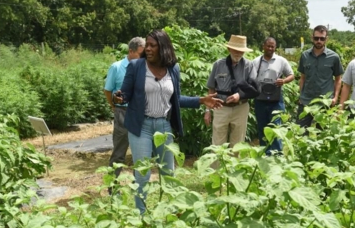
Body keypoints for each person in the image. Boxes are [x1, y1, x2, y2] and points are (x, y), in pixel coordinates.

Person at [117, 29, 222, 213]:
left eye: (152, 45)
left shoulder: (173, 69)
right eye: (146, 45)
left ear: (163, 47)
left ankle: (173, 212)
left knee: (169, 172)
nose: (147, 48)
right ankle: (140, 216)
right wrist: (120, 98)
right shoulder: (136, 67)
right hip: (141, 127)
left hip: (164, 125)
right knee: (143, 174)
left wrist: (200, 100)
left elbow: (176, 99)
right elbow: (125, 94)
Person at [104, 37, 145, 188]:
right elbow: (107, 90)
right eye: (140, 54)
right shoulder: (117, 67)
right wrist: (113, 106)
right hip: (123, 111)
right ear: (131, 51)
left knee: (140, 152)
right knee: (119, 151)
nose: (143, 57)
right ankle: (112, 187)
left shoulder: (145, 67)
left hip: (140, 113)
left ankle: (138, 186)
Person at [204, 35, 259, 147]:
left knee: (238, 145)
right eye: (236, 50)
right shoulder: (218, 64)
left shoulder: (249, 66)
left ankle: (236, 165)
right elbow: (211, 89)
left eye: (241, 51)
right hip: (220, 107)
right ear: (229, 49)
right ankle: (217, 165)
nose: (238, 53)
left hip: (241, 108)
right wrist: (207, 111)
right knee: (217, 145)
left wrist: (239, 95)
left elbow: (255, 89)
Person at [252, 37, 294, 154]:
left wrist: (284, 81)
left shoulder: (281, 61)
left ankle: (276, 155)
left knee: (276, 128)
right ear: (263, 46)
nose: (270, 48)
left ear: (275, 47)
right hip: (260, 99)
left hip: (276, 99)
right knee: (262, 128)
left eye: (273, 46)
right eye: (268, 46)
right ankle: (264, 153)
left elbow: (291, 75)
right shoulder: (256, 62)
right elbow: (250, 78)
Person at [297, 25, 344, 127]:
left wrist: (335, 98)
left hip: (325, 103)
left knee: (323, 136)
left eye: (322, 38)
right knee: (300, 134)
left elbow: (338, 79)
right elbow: (302, 77)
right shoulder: (305, 56)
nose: (319, 41)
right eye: (316, 38)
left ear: (326, 39)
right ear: (312, 38)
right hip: (306, 101)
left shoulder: (334, 57)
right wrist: (301, 95)